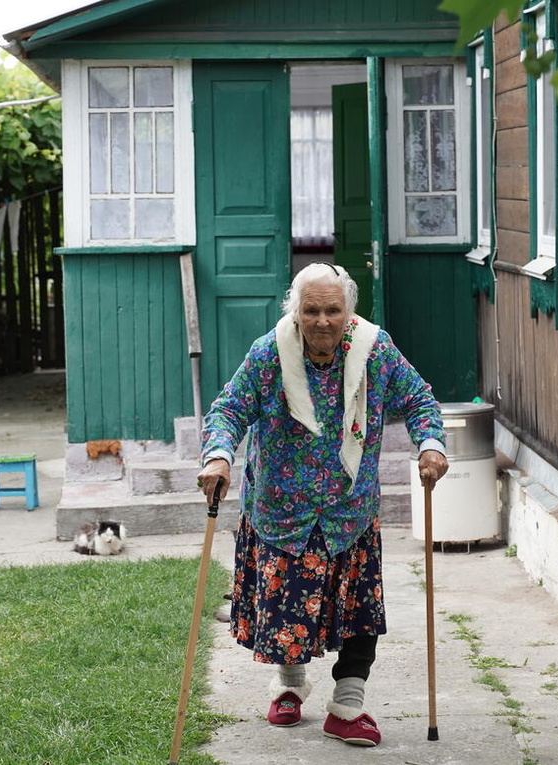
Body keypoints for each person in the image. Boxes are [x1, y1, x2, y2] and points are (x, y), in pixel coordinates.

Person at [196, 262, 449, 747]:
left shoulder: (375, 350)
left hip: (347, 509)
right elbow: (229, 409)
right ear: (295, 311)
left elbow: (419, 399)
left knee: (357, 610)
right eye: (311, 310)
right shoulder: (269, 354)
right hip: (281, 511)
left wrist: (431, 444)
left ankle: (348, 703)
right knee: (287, 608)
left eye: (333, 310)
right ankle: (289, 686)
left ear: (348, 311)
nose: (322, 322)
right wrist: (219, 455)